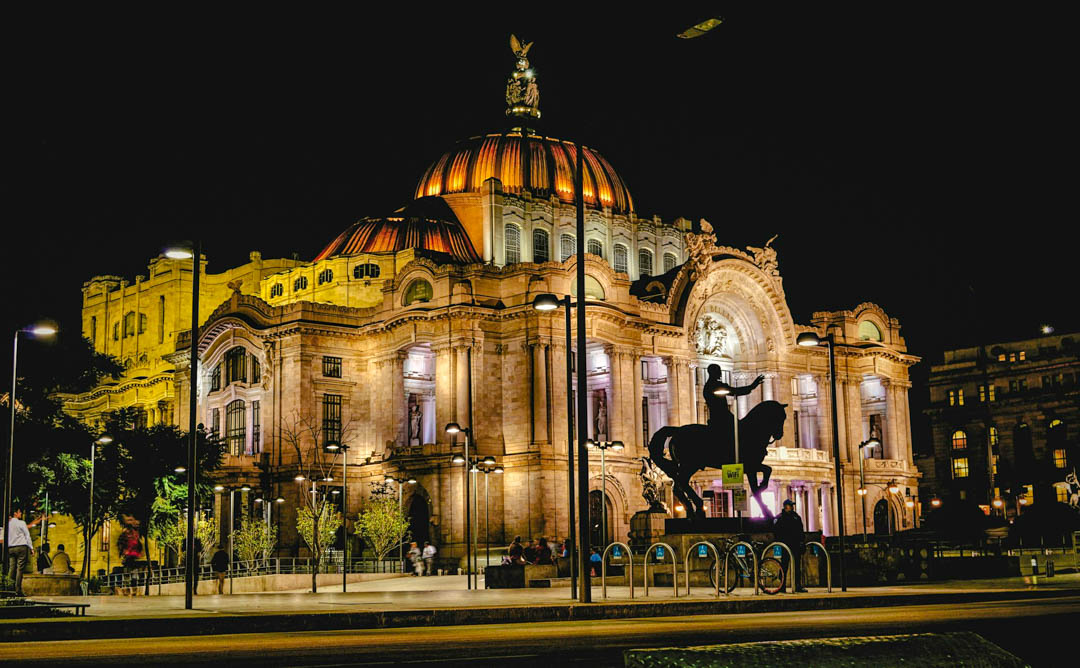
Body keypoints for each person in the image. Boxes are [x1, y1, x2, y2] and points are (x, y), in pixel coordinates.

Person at [702, 364, 764, 437]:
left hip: (715, 416)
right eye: (719, 371)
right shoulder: (715, 385)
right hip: (722, 417)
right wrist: (752, 386)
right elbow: (735, 391)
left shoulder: (708, 385)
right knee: (742, 430)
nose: (721, 373)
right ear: (714, 372)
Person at [772, 499, 807, 592]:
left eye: (792, 505)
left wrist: (802, 542)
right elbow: (776, 532)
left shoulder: (796, 517)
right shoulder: (780, 518)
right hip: (785, 545)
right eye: (790, 505)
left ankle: (797, 585)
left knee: (796, 566)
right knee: (784, 565)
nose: (792, 507)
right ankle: (782, 586)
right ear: (785, 506)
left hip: (795, 544)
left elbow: (800, 530)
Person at [6, 507, 39, 596]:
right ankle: (18, 589)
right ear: (15, 513)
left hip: (11, 547)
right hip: (21, 547)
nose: (20, 514)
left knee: (11, 568)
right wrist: (31, 548)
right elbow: (27, 536)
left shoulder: (7, 524)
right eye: (19, 512)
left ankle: (9, 588)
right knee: (20, 569)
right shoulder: (21, 523)